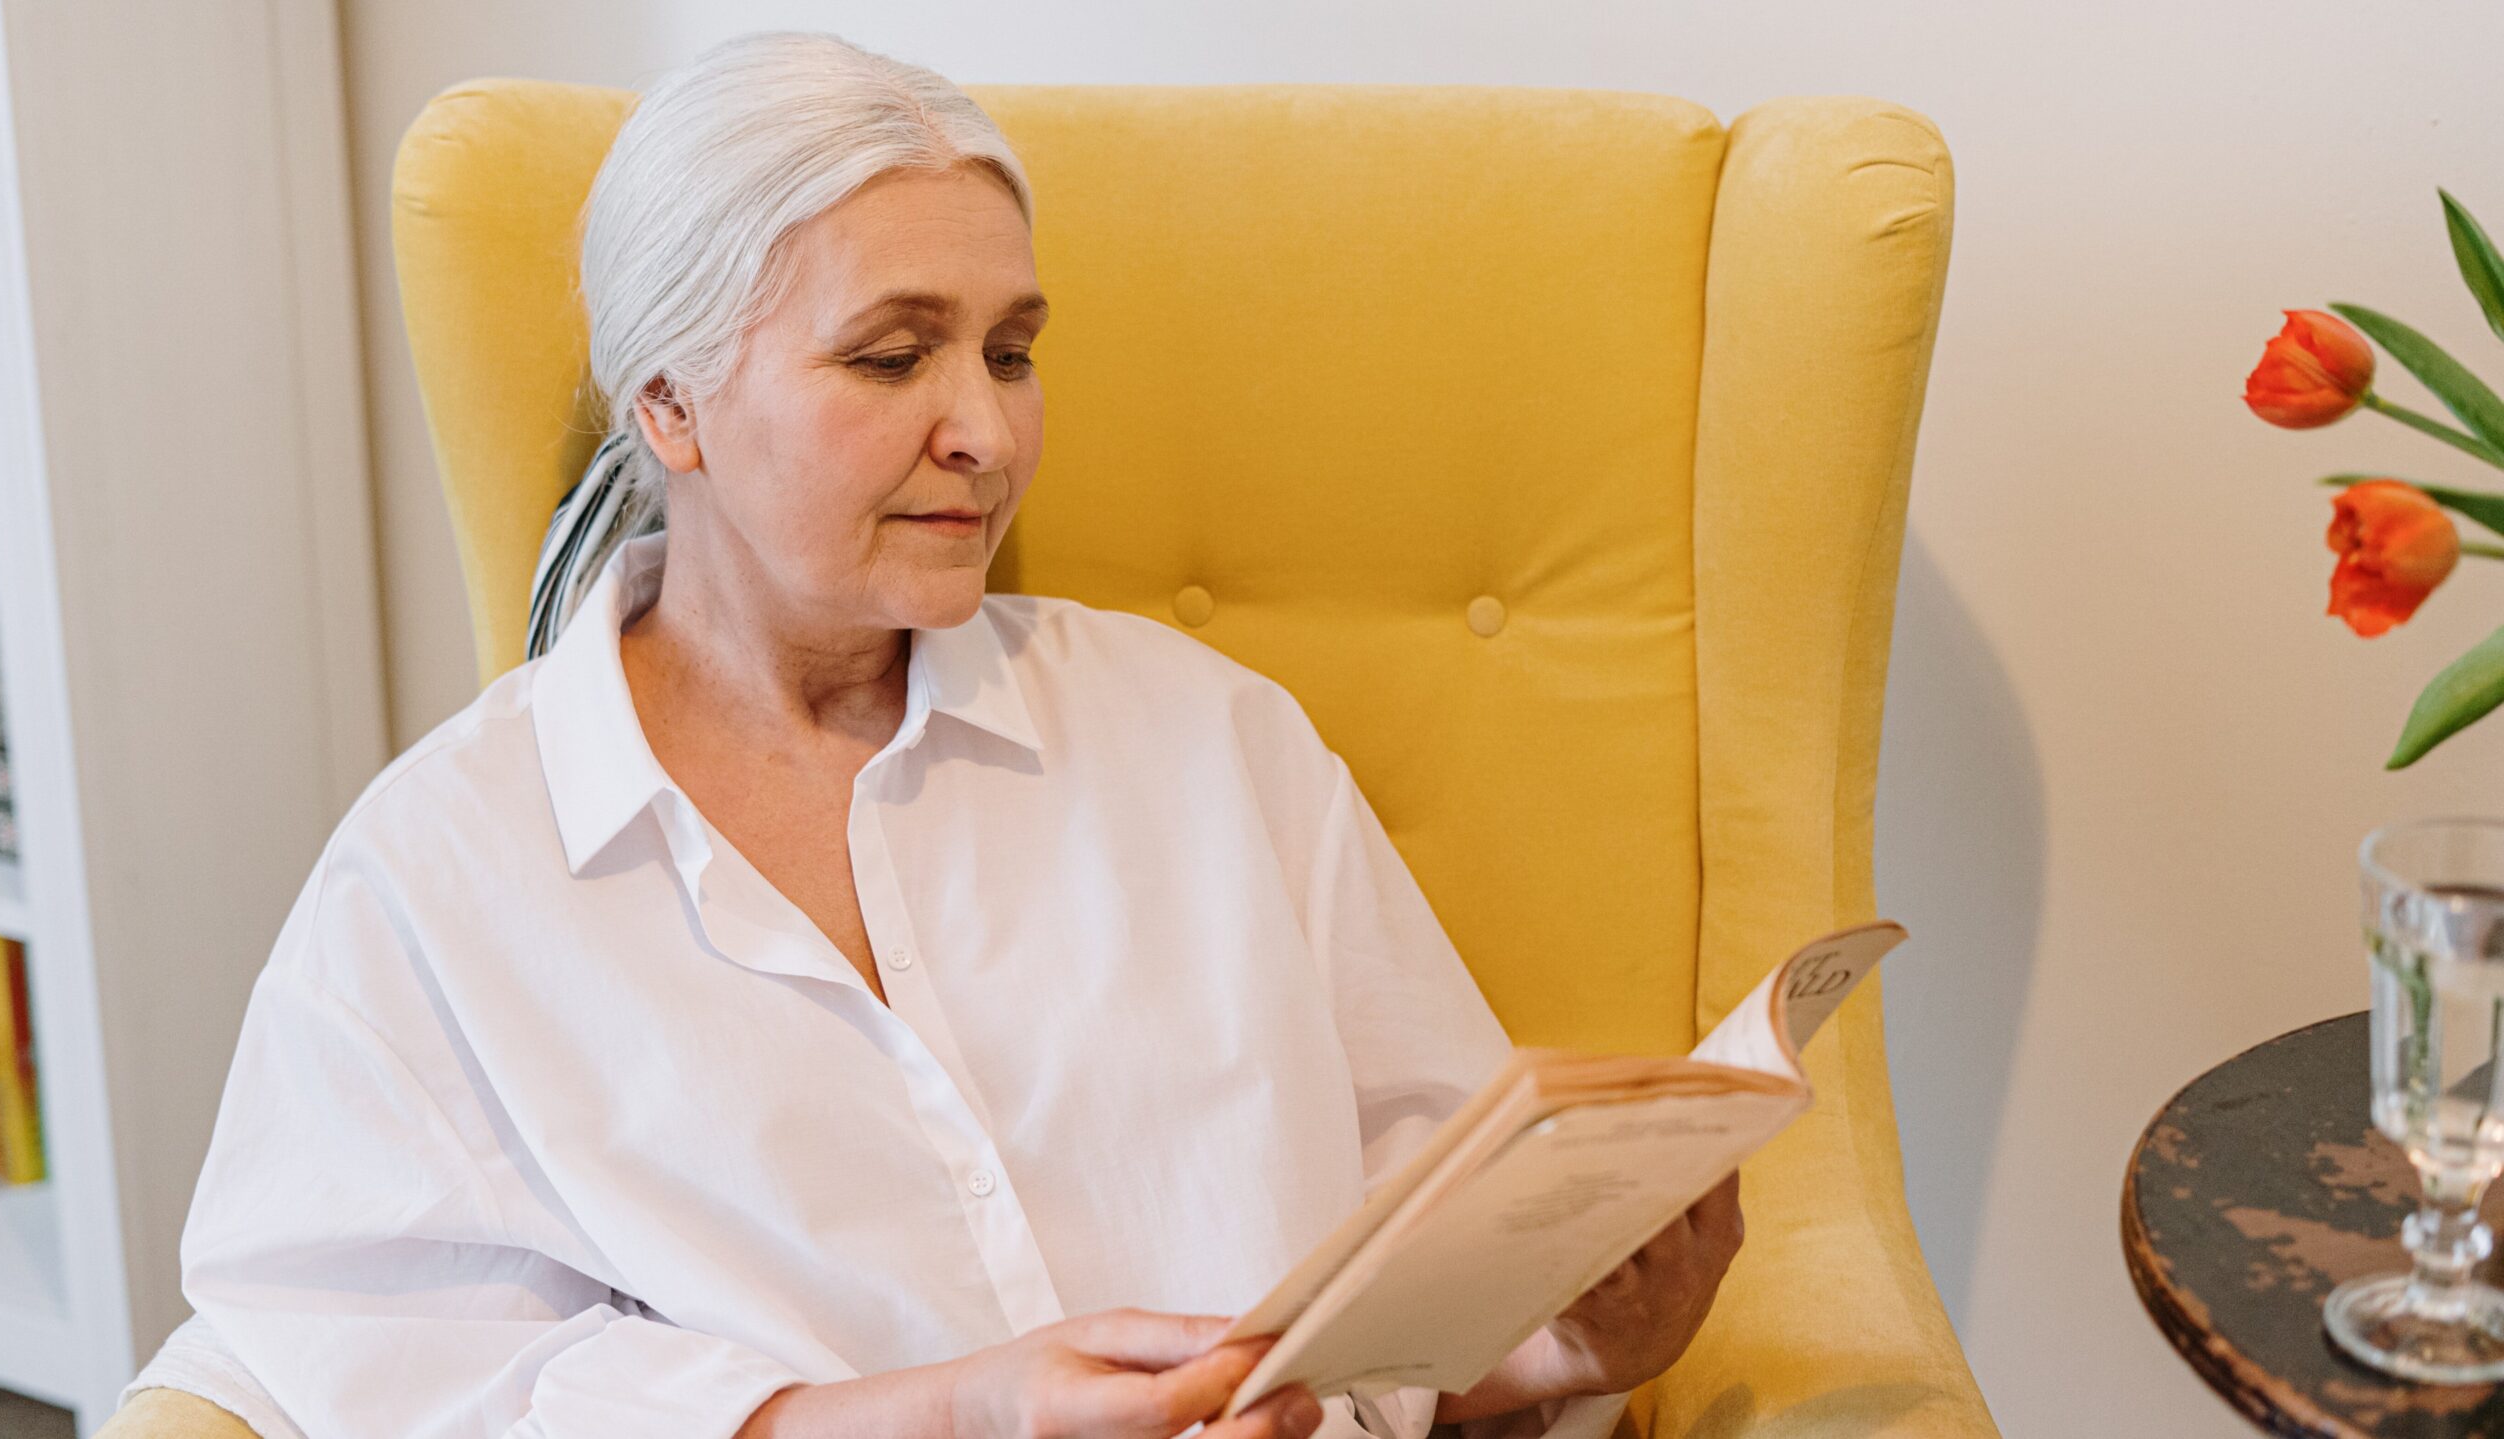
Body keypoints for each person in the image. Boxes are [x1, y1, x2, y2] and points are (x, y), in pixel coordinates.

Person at [147, 30, 1741, 1439]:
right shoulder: (450, 871)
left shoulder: (1206, 746)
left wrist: (1565, 1342)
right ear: (671, 408)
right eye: (892, 354)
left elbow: (1416, 1288)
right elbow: (355, 1361)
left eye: (1012, 350)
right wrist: (951, 1417)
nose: (983, 427)